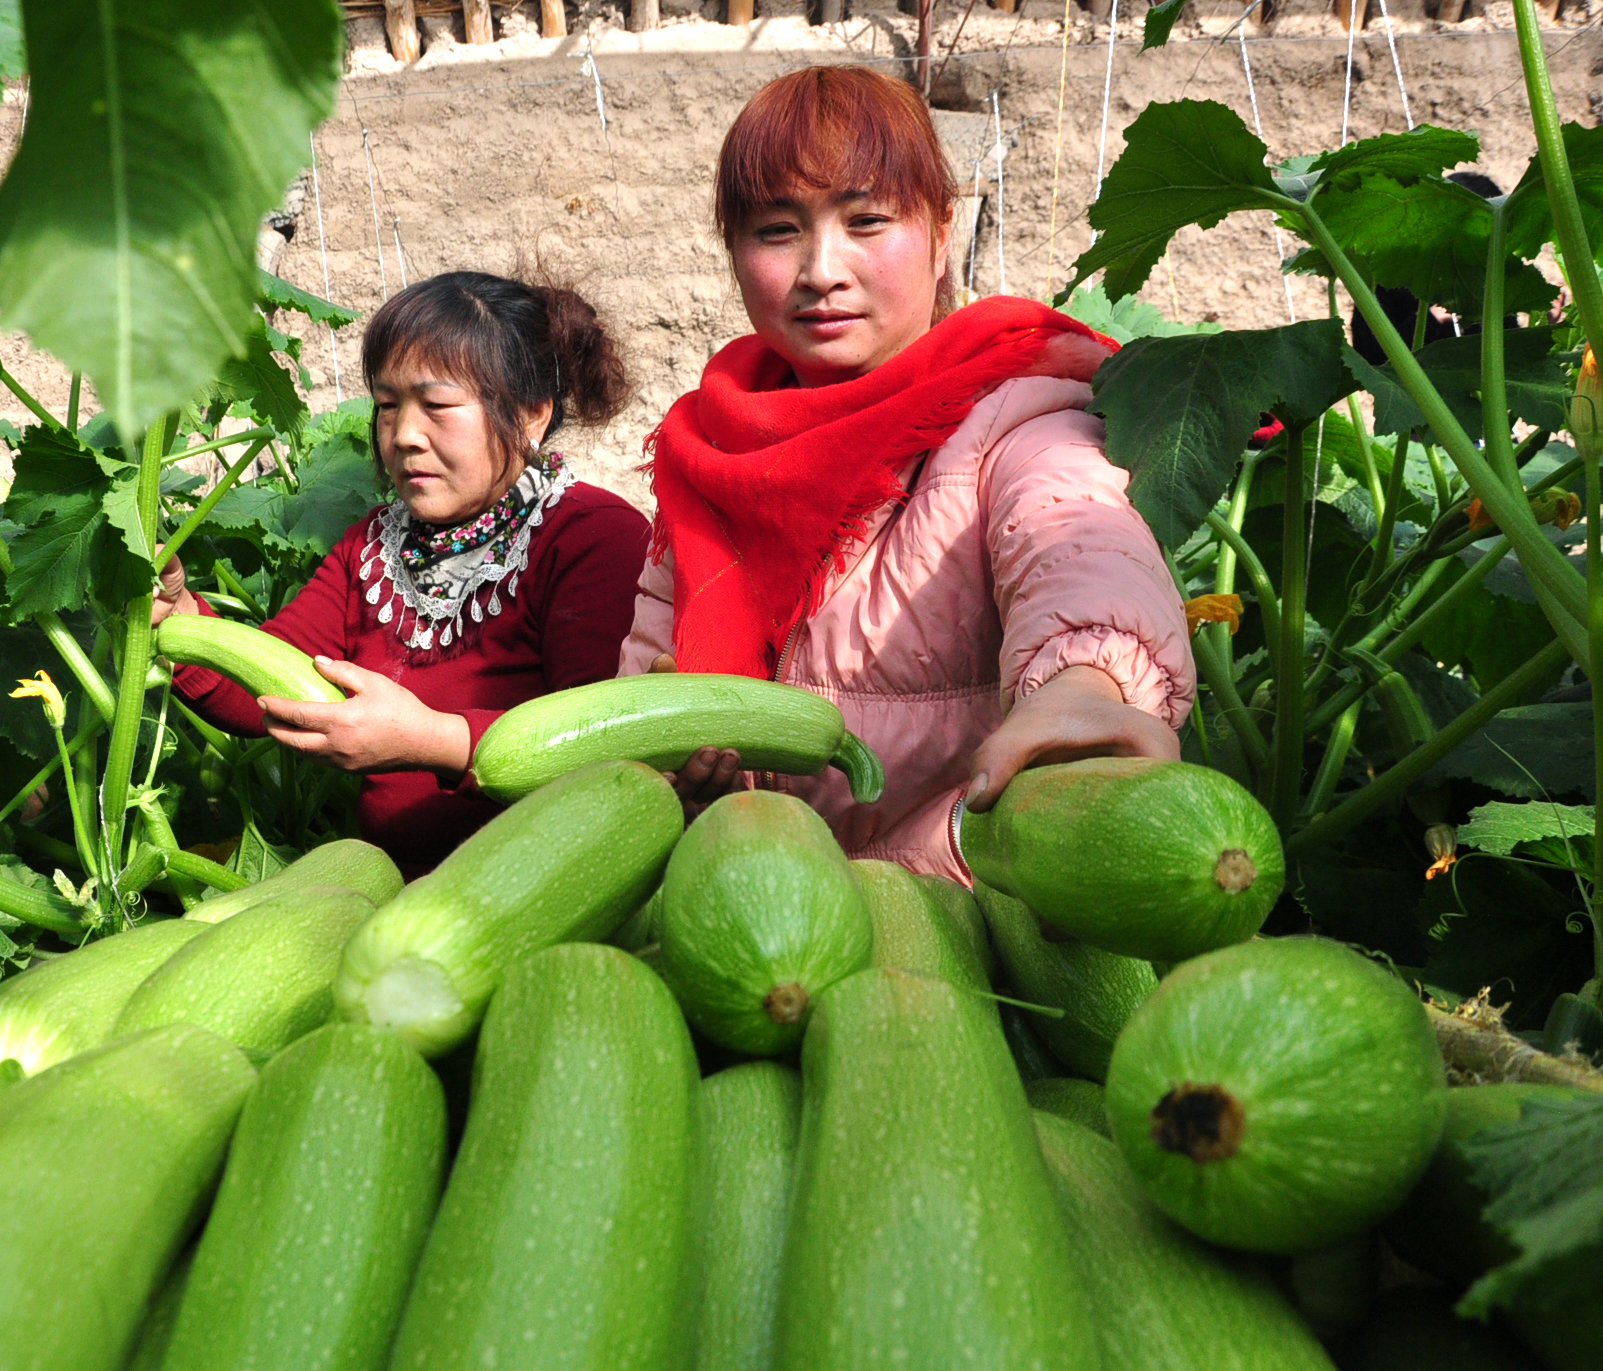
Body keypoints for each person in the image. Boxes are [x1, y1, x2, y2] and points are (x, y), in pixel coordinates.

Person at [621, 65, 1196, 883]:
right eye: (777, 231)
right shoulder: (710, 453)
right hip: (753, 907)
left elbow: (1075, 537)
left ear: (941, 232)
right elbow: (643, 691)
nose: (823, 268)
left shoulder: (1014, 416)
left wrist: (1086, 681)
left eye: (866, 220)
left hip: (963, 905)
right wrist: (669, 776)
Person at [155, 271, 648, 871]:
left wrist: (427, 740)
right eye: (388, 406)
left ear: (530, 416)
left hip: (541, 882)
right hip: (393, 892)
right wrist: (182, 617)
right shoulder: (373, 544)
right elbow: (264, 685)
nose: (404, 435)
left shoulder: (592, 535)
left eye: (437, 405)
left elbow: (599, 742)